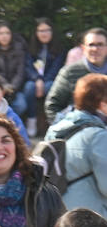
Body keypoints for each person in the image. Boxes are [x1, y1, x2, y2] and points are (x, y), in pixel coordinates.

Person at [44, 73, 107, 219]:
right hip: (92, 219)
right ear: (102, 104)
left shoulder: (55, 129)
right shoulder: (99, 136)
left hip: (57, 215)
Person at [46, 27, 107, 120]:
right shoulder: (70, 72)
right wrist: (65, 129)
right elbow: (52, 106)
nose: (95, 49)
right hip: (80, 129)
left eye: (100, 44)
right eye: (91, 45)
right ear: (83, 48)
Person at [17, 18, 62, 130]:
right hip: (33, 80)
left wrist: (43, 80)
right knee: (29, 87)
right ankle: (31, 119)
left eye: (47, 30)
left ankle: (51, 120)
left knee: (50, 87)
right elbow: (27, 66)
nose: (44, 33)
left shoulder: (59, 48)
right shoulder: (30, 48)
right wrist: (37, 79)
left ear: (52, 32)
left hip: (50, 79)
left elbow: (55, 69)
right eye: (41, 31)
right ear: (36, 33)